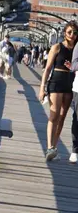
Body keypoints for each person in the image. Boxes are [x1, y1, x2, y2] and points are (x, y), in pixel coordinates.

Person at [39, 21, 78, 161]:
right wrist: (42, 88)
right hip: (56, 81)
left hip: (69, 83)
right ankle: (49, 147)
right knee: (54, 115)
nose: (72, 35)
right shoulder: (57, 47)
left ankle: (54, 148)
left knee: (62, 117)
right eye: (69, 32)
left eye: (74, 32)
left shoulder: (76, 49)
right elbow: (47, 68)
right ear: (64, 33)